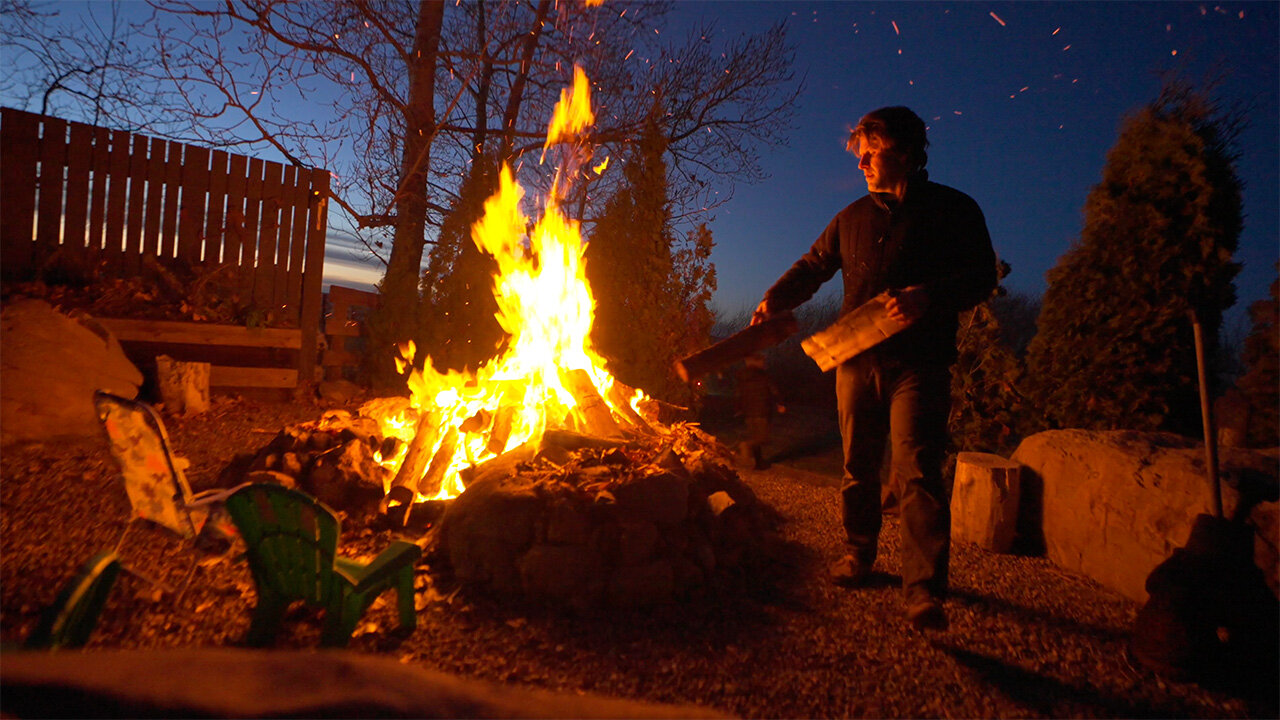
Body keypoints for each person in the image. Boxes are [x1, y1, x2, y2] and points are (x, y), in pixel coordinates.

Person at [750, 106, 997, 630]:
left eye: (871, 151)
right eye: (858, 152)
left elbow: (982, 277)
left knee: (917, 472)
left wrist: (930, 297)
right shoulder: (852, 219)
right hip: (856, 359)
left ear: (904, 153)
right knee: (857, 466)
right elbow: (814, 267)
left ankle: (923, 589)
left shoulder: (953, 210)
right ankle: (859, 552)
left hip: (920, 363)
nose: (861, 161)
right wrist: (774, 298)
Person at [735, 353, 784, 470]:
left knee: (755, 435)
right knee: (762, 438)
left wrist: (738, 408)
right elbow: (773, 390)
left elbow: (738, 394)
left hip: (748, 410)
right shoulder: (763, 375)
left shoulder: (742, 376)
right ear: (758, 362)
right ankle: (746, 445)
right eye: (762, 361)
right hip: (762, 409)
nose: (764, 363)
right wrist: (780, 403)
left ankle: (759, 463)